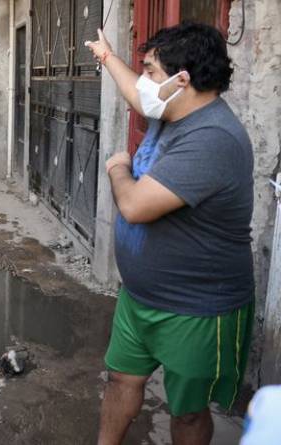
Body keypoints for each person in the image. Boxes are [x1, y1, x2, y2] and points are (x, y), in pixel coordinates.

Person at [86, 22, 254, 445]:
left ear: (183, 80)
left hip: (196, 308)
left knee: (189, 412)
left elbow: (135, 206)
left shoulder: (212, 137)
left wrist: (117, 167)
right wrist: (108, 57)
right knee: (120, 379)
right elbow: (135, 91)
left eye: (152, 72)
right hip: (140, 298)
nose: (143, 82)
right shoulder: (173, 108)